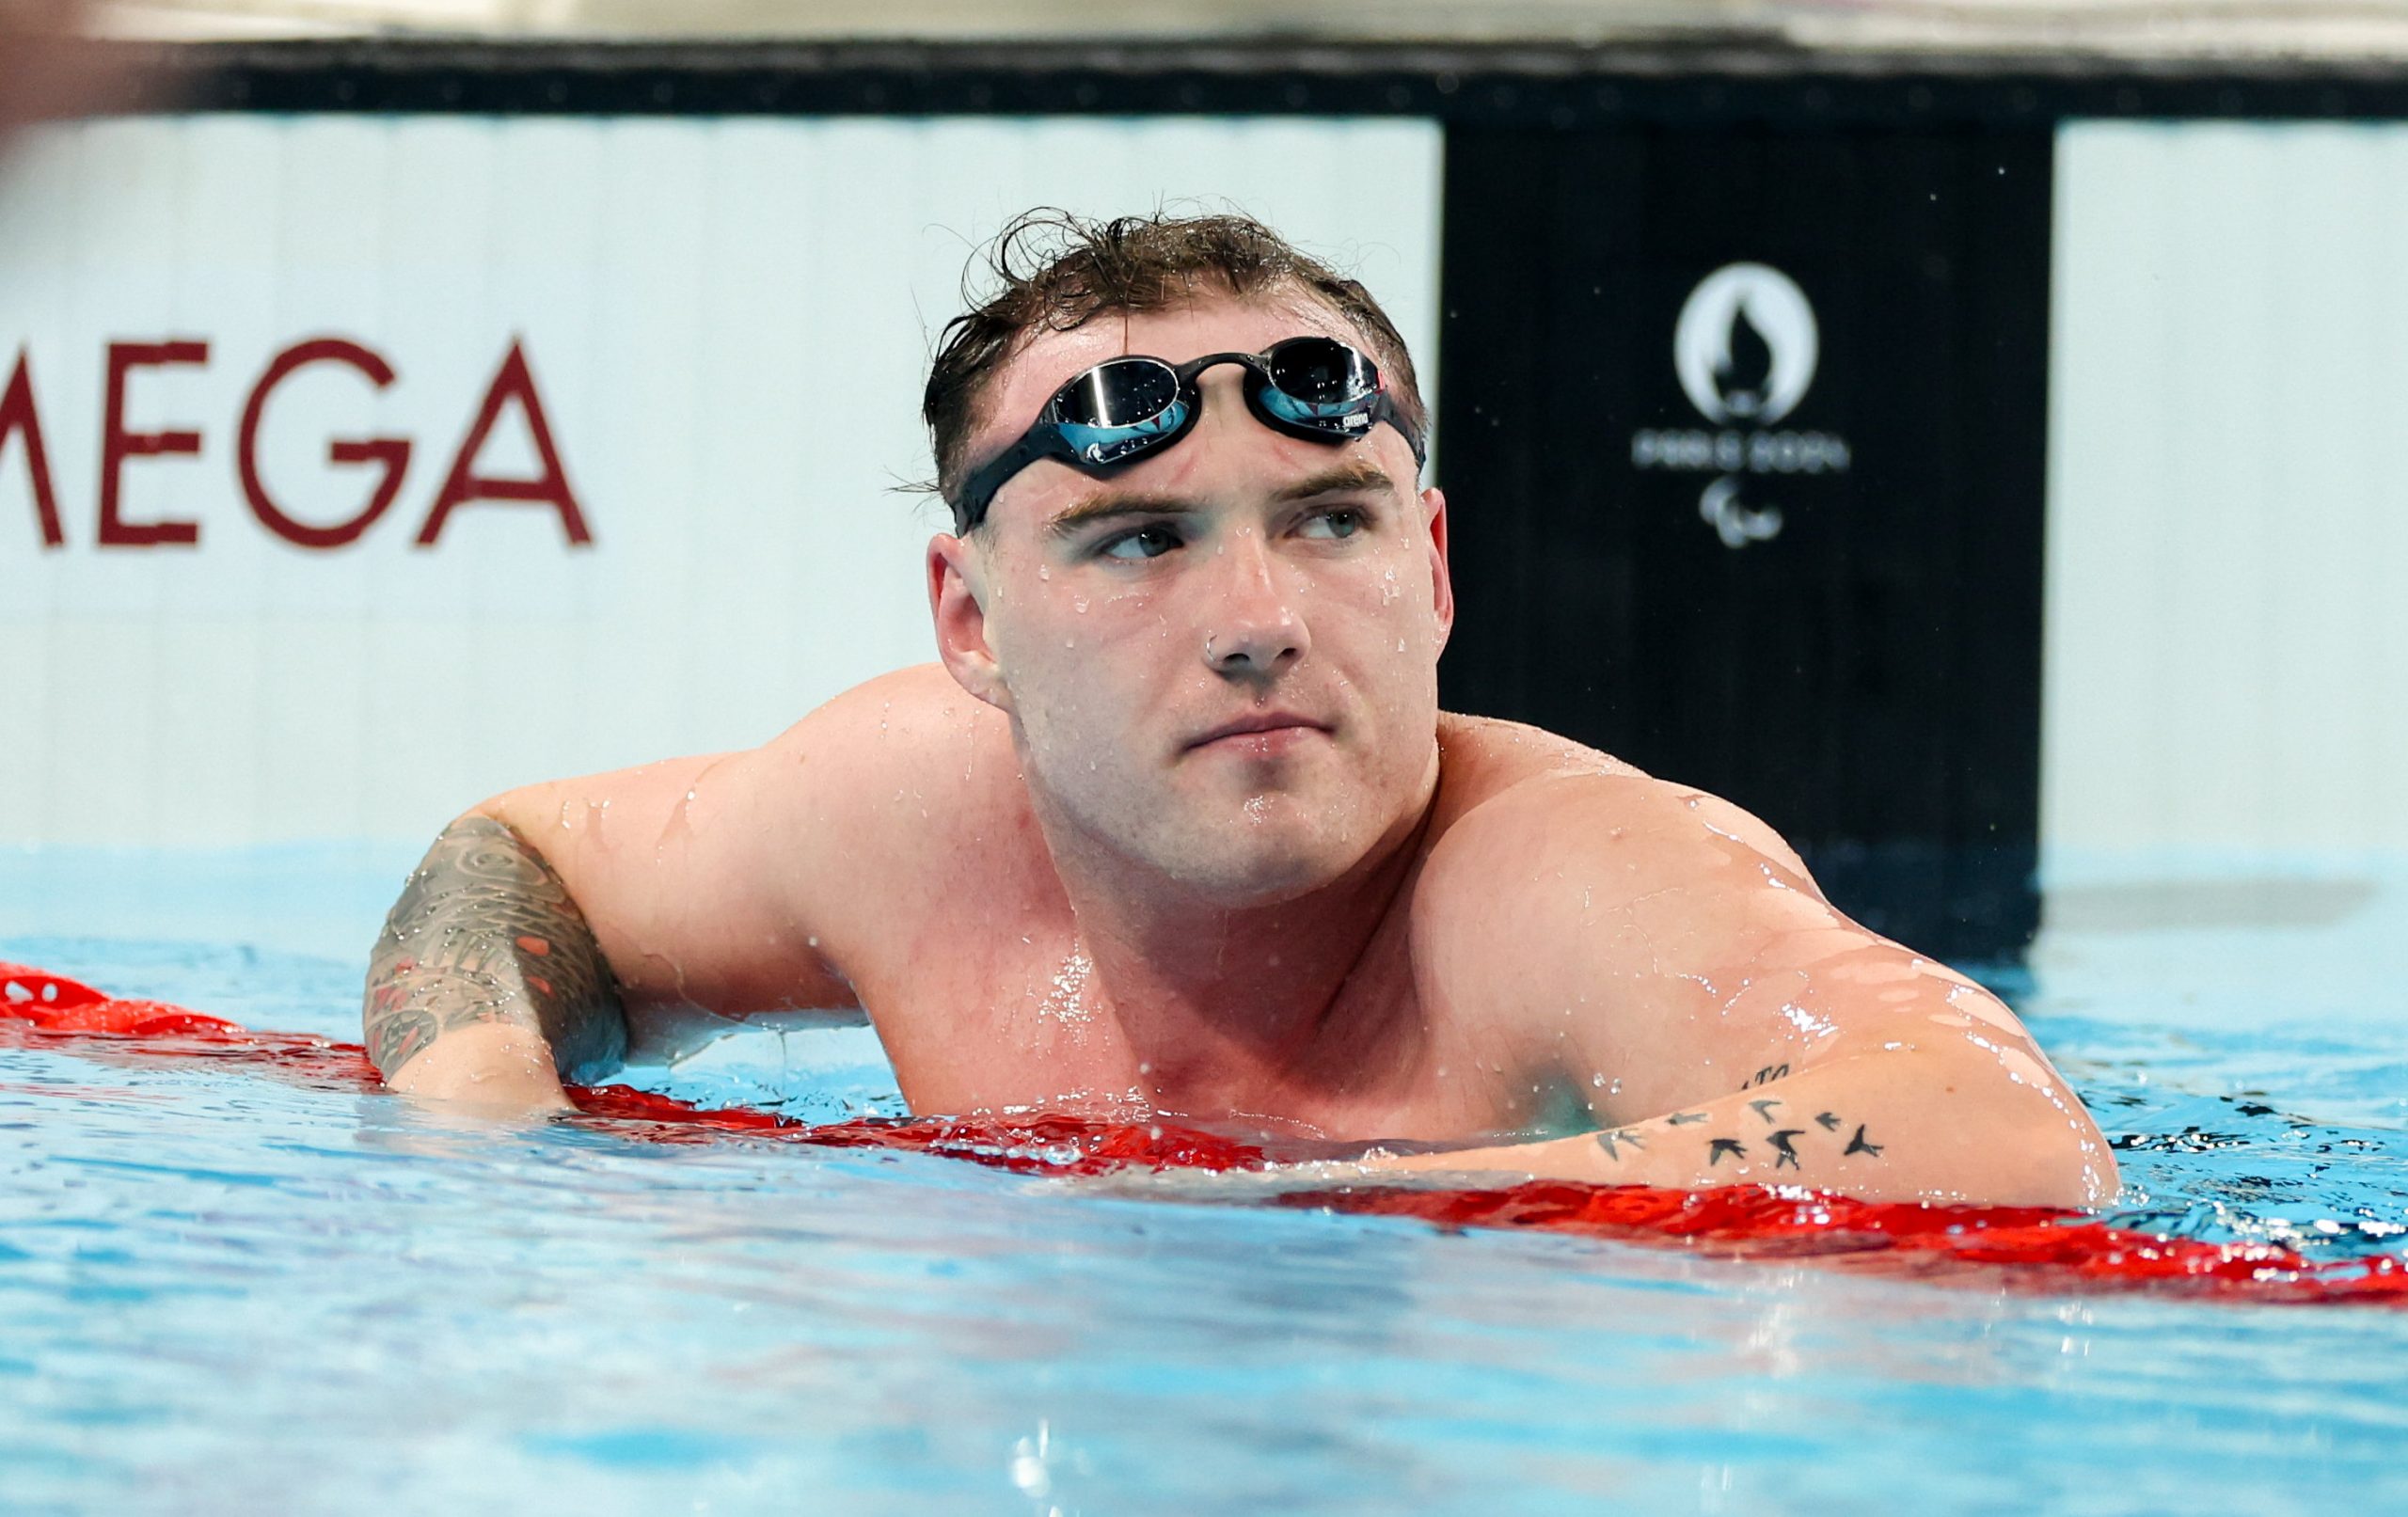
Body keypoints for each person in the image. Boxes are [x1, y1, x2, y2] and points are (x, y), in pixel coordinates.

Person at [363, 211, 2116, 1209]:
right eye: (1140, 542)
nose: (1262, 622)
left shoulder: (1557, 880)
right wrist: (483, 1109)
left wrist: (1304, 1214)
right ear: (971, 624)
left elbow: (2013, 1138)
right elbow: (519, 856)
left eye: (1330, 521)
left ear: (1431, 568)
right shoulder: (906, 817)